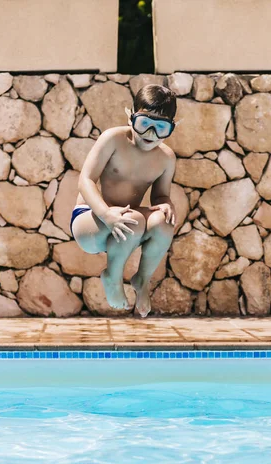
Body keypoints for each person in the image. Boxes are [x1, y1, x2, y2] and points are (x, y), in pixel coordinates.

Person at [71, 84, 179, 318]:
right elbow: (86, 180)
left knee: (163, 222)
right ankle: (112, 276)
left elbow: (160, 196)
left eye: (160, 127)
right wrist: (106, 214)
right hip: (91, 223)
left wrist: (166, 203)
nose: (150, 134)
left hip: (129, 226)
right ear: (130, 117)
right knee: (134, 219)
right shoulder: (113, 139)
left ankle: (142, 279)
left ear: (172, 128)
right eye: (144, 123)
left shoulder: (166, 158)